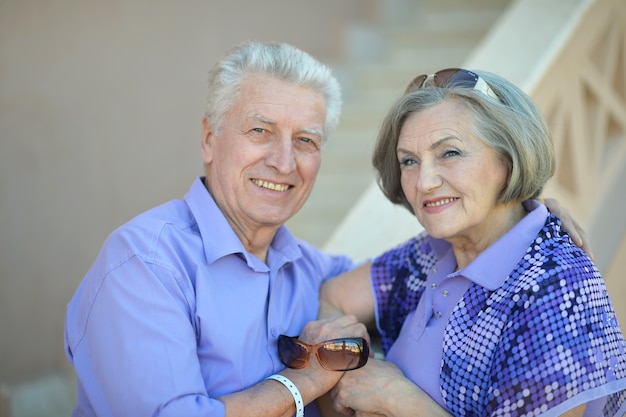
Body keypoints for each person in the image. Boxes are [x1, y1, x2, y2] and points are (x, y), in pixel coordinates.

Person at [64, 41, 589, 417]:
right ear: (209, 138)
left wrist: (523, 211)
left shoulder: (310, 269)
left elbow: (376, 284)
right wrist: (304, 383)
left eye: (307, 141)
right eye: (260, 131)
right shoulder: (146, 264)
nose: (283, 161)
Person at [319, 68, 626, 417]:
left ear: (508, 159)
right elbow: (332, 296)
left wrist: (397, 399)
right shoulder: (433, 252)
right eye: (409, 161)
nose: (425, 182)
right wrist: (354, 366)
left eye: (449, 153)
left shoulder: (556, 283)